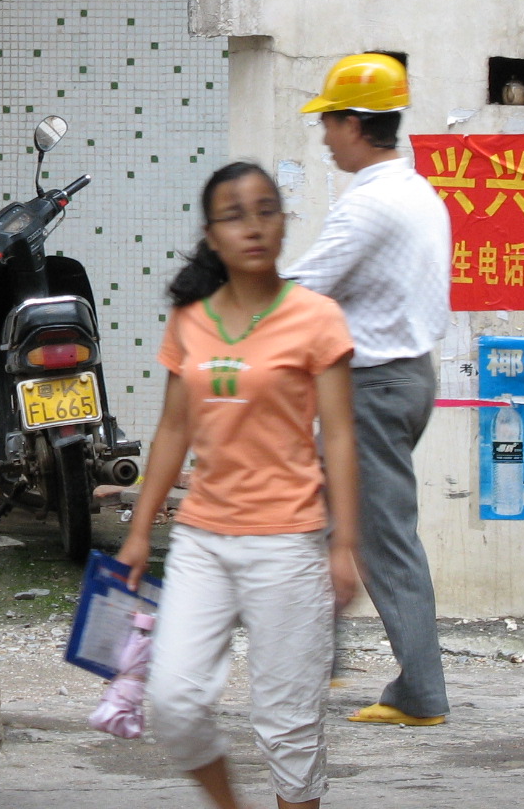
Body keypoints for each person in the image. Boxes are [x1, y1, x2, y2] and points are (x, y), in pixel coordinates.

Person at [118, 161, 359, 809]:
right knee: (173, 702)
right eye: (233, 216)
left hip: (289, 543)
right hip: (203, 539)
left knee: (289, 726)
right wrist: (138, 532)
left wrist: (344, 546)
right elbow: (173, 429)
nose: (252, 227)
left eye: (265, 210)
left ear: (282, 223)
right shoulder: (190, 320)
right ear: (212, 236)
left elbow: (340, 436)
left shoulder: (317, 318)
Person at [287, 52, 452, 728]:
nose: (325, 136)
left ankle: (422, 694)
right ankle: (314, 660)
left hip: (373, 389)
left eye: (329, 122)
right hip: (402, 378)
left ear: (355, 124)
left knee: (384, 540)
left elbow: (303, 290)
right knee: (316, 521)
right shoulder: (417, 193)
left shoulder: (368, 206)